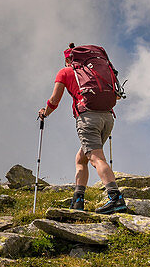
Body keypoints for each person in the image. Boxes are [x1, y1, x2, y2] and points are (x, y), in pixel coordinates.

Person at [38, 47, 126, 213]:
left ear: (68, 60)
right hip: (107, 118)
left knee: (96, 158)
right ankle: (78, 200)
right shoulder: (97, 71)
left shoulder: (65, 72)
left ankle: (115, 198)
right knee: (81, 159)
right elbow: (117, 96)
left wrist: (45, 113)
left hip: (87, 118)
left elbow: (54, 100)